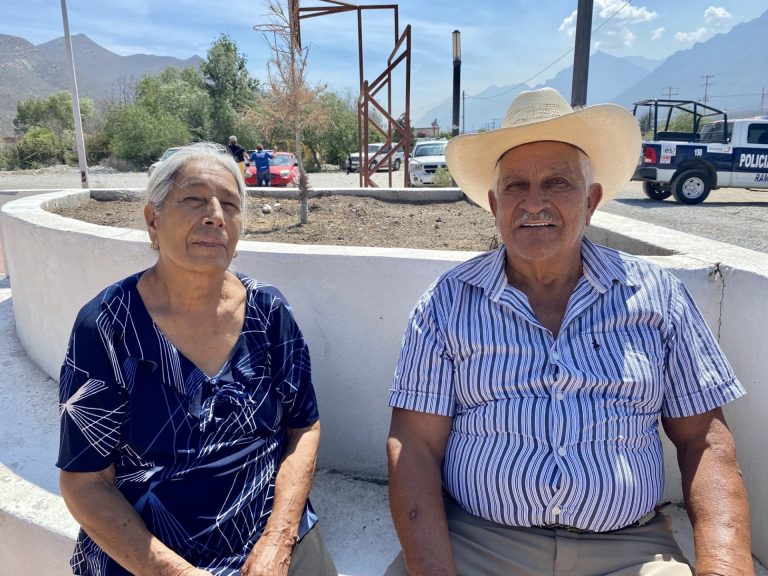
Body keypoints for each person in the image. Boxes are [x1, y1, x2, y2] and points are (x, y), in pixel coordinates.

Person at [385, 88, 753, 576]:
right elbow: (413, 444)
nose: (533, 203)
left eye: (556, 183)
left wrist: (724, 567)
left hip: (630, 549)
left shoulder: (657, 297)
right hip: (478, 540)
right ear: (495, 204)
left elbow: (704, 439)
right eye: (516, 187)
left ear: (592, 199)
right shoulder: (446, 302)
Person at [57, 143, 337, 576]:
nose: (215, 215)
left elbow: (304, 427)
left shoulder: (268, 310)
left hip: (270, 545)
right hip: (148, 559)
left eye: (229, 204)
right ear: (153, 220)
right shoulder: (108, 327)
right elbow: (86, 482)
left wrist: (278, 540)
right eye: (194, 200)